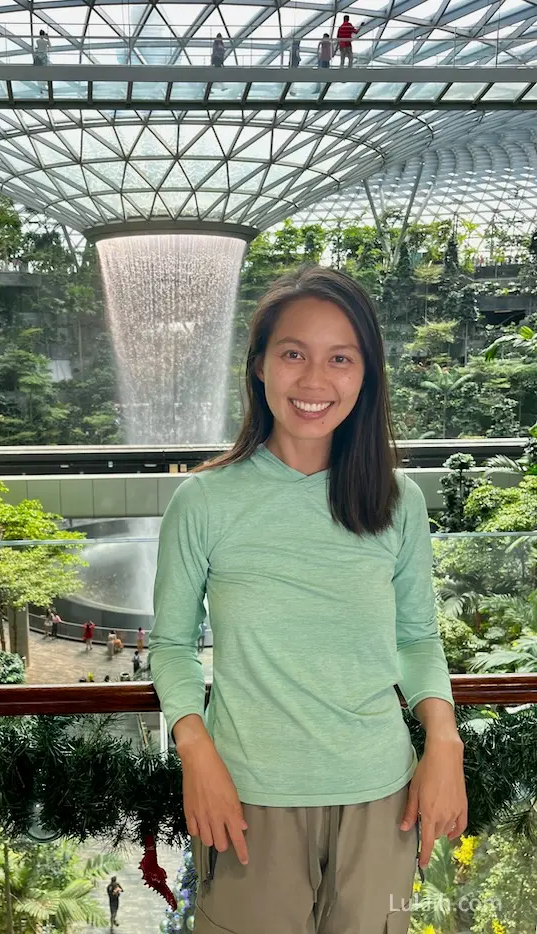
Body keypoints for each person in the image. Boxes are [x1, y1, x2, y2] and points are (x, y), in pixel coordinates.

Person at [149, 266, 467, 934]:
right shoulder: (204, 501)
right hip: (247, 804)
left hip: (385, 804)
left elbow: (417, 640)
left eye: (340, 359)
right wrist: (196, 750)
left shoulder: (396, 501)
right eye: (294, 353)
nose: (315, 381)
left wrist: (444, 742)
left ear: (366, 375)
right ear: (260, 364)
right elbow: (173, 645)